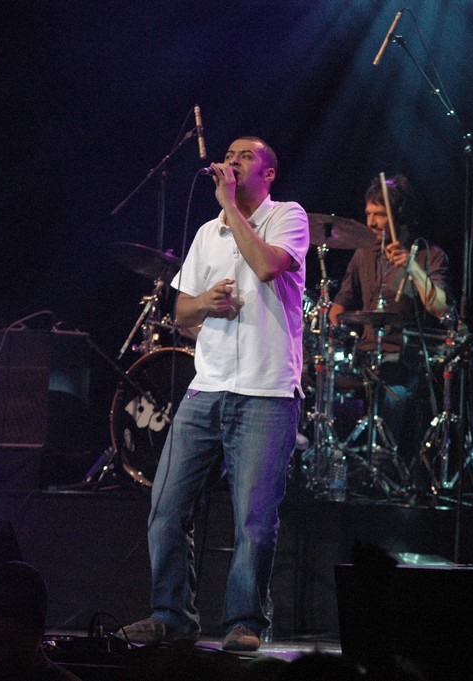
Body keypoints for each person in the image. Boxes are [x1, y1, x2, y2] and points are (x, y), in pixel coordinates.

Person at [121, 136, 310, 651]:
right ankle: (171, 616)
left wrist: (231, 206)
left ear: (268, 174)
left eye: (245, 156)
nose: (232, 161)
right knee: (167, 505)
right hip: (207, 389)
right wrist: (205, 302)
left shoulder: (289, 216)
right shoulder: (207, 233)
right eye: (229, 154)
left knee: (254, 518)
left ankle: (244, 622)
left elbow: (269, 267)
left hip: (267, 394)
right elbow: (181, 315)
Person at [328, 175, 453, 477]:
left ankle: (385, 471)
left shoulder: (429, 255)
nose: (370, 222)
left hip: (406, 357)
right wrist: (335, 329)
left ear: (399, 216)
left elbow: (441, 308)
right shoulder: (363, 253)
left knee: (394, 394)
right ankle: (333, 463)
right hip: (365, 355)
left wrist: (412, 269)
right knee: (319, 382)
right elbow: (340, 305)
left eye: (379, 215)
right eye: (368, 213)